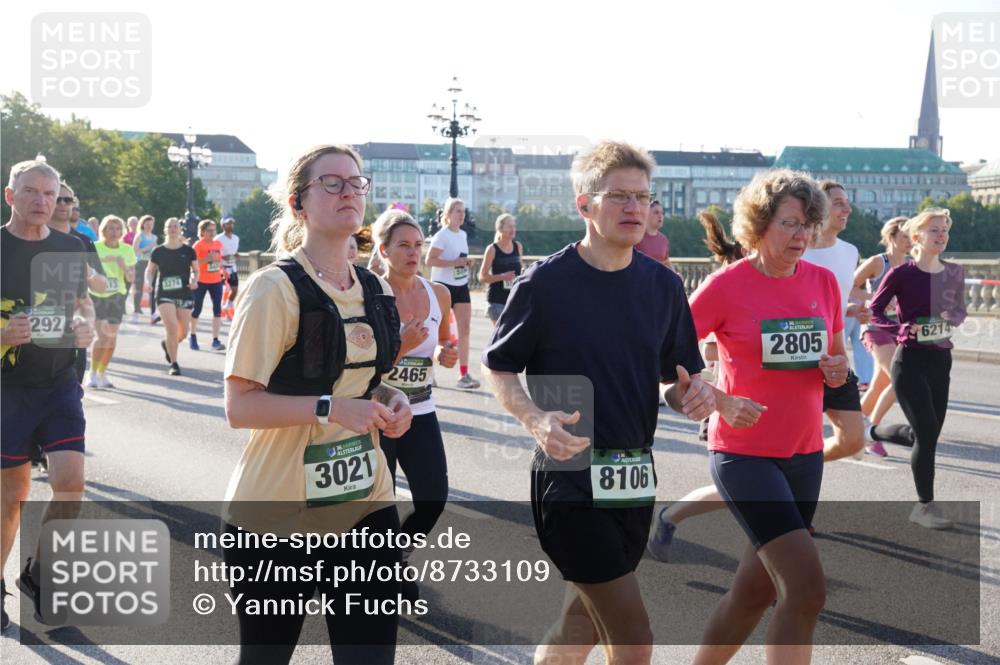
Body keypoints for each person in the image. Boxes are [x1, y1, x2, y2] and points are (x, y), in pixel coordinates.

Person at [482, 141, 713, 665]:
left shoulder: (663, 286)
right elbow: (499, 366)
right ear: (584, 204)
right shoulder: (545, 283)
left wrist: (694, 396)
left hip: (633, 475)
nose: (634, 208)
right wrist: (534, 418)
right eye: (619, 196)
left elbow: (675, 383)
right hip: (570, 478)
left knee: (578, 628)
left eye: (642, 197)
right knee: (633, 638)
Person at [223, 144, 410, 663]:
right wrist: (330, 408)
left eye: (356, 182)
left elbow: (368, 385)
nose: (348, 191)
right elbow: (239, 407)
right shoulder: (273, 289)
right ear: (298, 203)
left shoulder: (375, 287)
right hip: (275, 516)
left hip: (366, 505)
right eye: (331, 182)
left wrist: (394, 402)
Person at [686, 169, 847, 665]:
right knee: (806, 590)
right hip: (744, 455)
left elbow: (837, 360)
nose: (801, 235)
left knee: (755, 592)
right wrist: (719, 398)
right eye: (789, 223)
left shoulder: (823, 282)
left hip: (805, 453)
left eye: (808, 225)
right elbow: (663, 358)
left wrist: (837, 371)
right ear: (758, 226)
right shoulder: (726, 285)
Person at [1, 160, 95, 631]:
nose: (42, 201)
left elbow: (81, 305)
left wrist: (85, 326)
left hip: (59, 384)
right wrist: (3, 335)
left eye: (50, 194)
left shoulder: (69, 247)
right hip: (7, 388)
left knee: (71, 481)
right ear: (10, 195)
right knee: (12, 494)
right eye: (31, 191)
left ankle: (41, 575)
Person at [374, 208, 458, 601]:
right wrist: (400, 347)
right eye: (403, 245)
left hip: (422, 411)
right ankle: (385, 572)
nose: (413, 253)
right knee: (380, 507)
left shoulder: (438, 293)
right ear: (384, 250)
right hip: (379, 414)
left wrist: (443, 352)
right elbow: (359, 368)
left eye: (418, 245)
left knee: (433, 499)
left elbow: (441, 340)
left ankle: (396, 556)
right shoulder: (371, 297)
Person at [868, 208, 965, 529]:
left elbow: (961, 310)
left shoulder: (954, 272)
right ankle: (924, 506)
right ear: (916, 237)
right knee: (925, 434)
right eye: (934, 229)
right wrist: (900, 329)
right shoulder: (902, 274)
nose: (942, 234)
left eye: (945, 229)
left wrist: (952, 318)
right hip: (909, 362)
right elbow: (875, 311)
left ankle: (873, 431)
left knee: (926, 436)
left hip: (941, 361)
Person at [801, 181, 867, 462]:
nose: (847, 209)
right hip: (799, 356)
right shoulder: (796, 248)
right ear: (819, 207)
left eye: (847, 203)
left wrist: (850, 309)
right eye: (839, 203)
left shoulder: (850, 252)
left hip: (834, 356)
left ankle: (794, 466)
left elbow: (835, 299)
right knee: (791, 439)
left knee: (852, 441)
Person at [852, 217, 912, 457]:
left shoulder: (911, 265)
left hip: (899, 330)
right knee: (901, 379)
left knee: (879, 386)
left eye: (912, 237)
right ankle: (871, 434)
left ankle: (850, 429)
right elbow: (849, 286)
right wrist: (875, 299)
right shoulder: (878, 262)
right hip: (875, 328)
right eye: (905, 236)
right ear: (892, 237)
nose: (910, 241)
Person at [46, 184, 107, 389]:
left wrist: (88, 270)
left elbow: (102, 286)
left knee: (70, 397)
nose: (63, 204)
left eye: (68, 200)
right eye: (58, 198)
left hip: (73, 330)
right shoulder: (31, 236)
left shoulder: (83, 241)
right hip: (36, 329)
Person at [426, 197, 479, 389]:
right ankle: (429, 374)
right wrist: (454, 263)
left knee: (465, 329)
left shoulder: (463, 235)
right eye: (458, 211)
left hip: (461, 285)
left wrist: (466, 262)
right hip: (442, 286)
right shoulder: (442, 235)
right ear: (448, 214)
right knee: (436, 331)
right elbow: (429, 260)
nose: (462, 215)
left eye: (464, 211)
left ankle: (463, 375)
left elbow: (459, 259)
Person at [88, 215, 137, 389]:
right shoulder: (95, 247)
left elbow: (131, 277)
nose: (114, 232)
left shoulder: (127, 249)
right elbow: (86, 270)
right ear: (103, 230)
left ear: (122, 231)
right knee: (102, 337)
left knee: (111, 338)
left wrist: (123, 266)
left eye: (117, 229)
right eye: (110, 228)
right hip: (97, 295)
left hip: (117, 295)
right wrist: (105, 260)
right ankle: (92, 373)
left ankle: (103, 372)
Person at [145, 218, 198, 376]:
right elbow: (150, 270)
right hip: (165, 294)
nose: (173, 229)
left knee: (183, 333)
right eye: (170, 226)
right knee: (172, 328)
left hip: (184, 293)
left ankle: (167, 343)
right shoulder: (158, 251)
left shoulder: (188, 251)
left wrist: (194, 279)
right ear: (165, 230)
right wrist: (148, 282)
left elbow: (196, 270)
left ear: (180, 229)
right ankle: (174, 363)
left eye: (176, 226)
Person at [478, 213, 524, 324]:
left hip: (514, 300)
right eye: (509, 226)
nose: (513, 229)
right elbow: (482, 277)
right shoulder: (492, 249)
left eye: (514, 226)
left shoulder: (518, 246)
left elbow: (520, 268)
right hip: (497, 302)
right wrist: (503, 277)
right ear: (500, 229)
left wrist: (523, 273)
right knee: (503, 333)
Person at [190, 219, 226, 351]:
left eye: (214, 230)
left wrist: (223, 270)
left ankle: (215, 340)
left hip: (216, 281)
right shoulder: (198, 245)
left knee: (217, 310)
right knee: (197, 309)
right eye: (209, 230)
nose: (212, 233)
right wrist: (207, 259)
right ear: (202, 231)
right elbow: (192, 263)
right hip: (201, 281)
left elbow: (219, 260)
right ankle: (193, 336)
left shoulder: (218, 244)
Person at [130, 214, 158, 322]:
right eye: (147, 224)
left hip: (151, 264)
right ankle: (136, 313)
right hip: (140, 263)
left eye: (151, 224)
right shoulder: (139, 236)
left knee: (152, 288)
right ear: (143, 224)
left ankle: (153, 313)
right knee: (139, 288)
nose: (149, 226)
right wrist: (148, 247)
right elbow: (135, 251)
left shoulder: (154, 237)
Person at [635, 198, 673, 270]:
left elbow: (666, 262)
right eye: (656, 212)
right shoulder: (636, 237)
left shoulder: (664, 240)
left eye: (662, 213)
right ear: (646, 214)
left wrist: (675, 275)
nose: (660, 216)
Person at [219, 216, 241, 309]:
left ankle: (228, 305)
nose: (231, 225)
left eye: (232, 223)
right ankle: (220, 307)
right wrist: (223, 257)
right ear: (223, 226)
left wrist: (236, 255)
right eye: (228, 224)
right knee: (221, 290)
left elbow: (234, 251)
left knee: (235, 289)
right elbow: (213, 253)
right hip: (221, 268)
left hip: (232, 267)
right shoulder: (218, 239)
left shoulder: (236, 238)